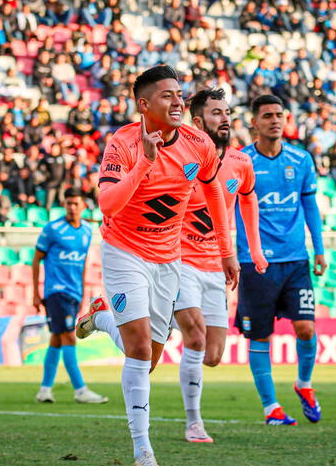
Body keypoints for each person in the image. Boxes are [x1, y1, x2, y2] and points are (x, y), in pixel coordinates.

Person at [75, 66, 238, 466]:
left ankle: (102, 317)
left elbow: (214, 190)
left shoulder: (198, 143)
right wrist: (145, 163)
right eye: (167, 95)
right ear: (143, 105)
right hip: (124, 251)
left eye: (180, 94)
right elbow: (108, 204)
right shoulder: (123, 142)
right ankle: (142, 449)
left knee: (149, 358)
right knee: (138, 348)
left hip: (169, 259)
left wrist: (226, 250)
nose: (179, 101)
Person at [173, 88, 268, 443]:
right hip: (178, 261)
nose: (225, 118)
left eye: (227, 112)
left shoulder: (241, 163)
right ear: (197, 122)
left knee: (212, 355)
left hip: (215, 265)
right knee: (195, 339)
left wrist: (254, 251)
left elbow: (248, 201)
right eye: (216, 113)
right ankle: (194, 422)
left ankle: (142, 316)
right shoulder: (179, 158)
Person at [234, 95, 326, 426]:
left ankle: (304, 384)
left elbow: (311, 207)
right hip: (255, 263)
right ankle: (271, 407)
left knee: (306, 327)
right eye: (267, 115)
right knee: (260, 336)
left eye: (279, 115)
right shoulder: (240, 162)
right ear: (254, 123)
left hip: (296, 260)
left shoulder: (301, 160)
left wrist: (319, 249)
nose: (275, 120)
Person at [33, 187, 107, 405]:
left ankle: (44, 390)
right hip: (56, 291)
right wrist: (35, 293)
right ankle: (80, 389)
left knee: (57, 339)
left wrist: (83, 293)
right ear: (64, 205)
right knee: (68, 336)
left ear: (83, 205)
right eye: (68, 203)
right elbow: (36, 259)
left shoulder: (85, 231)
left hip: (74, 292)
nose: (72, 207)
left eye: (76, 203)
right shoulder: (52, 229)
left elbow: (82, 264)